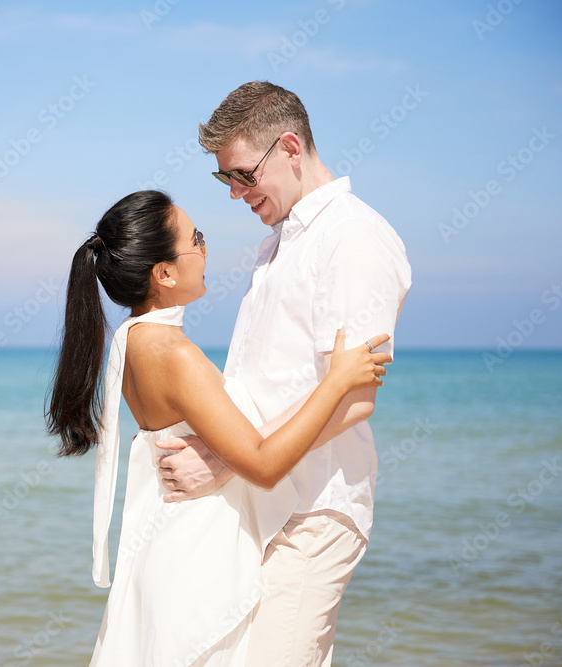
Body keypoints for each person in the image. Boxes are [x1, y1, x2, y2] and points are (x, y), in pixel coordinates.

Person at [46, 189, 392, 666]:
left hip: (165, 546)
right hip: (194, 559)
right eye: (197, 239)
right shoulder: (173, 355)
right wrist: (335, 383)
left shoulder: (131, 344)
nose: (206, 251)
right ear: (164, 273)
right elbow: (264, 465)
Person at [155, 81, 413, 665]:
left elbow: (354, 399)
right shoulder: (281, 242)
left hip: (314, 509)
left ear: (291, 148)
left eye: (244, 174)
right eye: (226, 180)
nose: (236, 193)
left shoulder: (353, 238)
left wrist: (225, 460)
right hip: (264, 505)